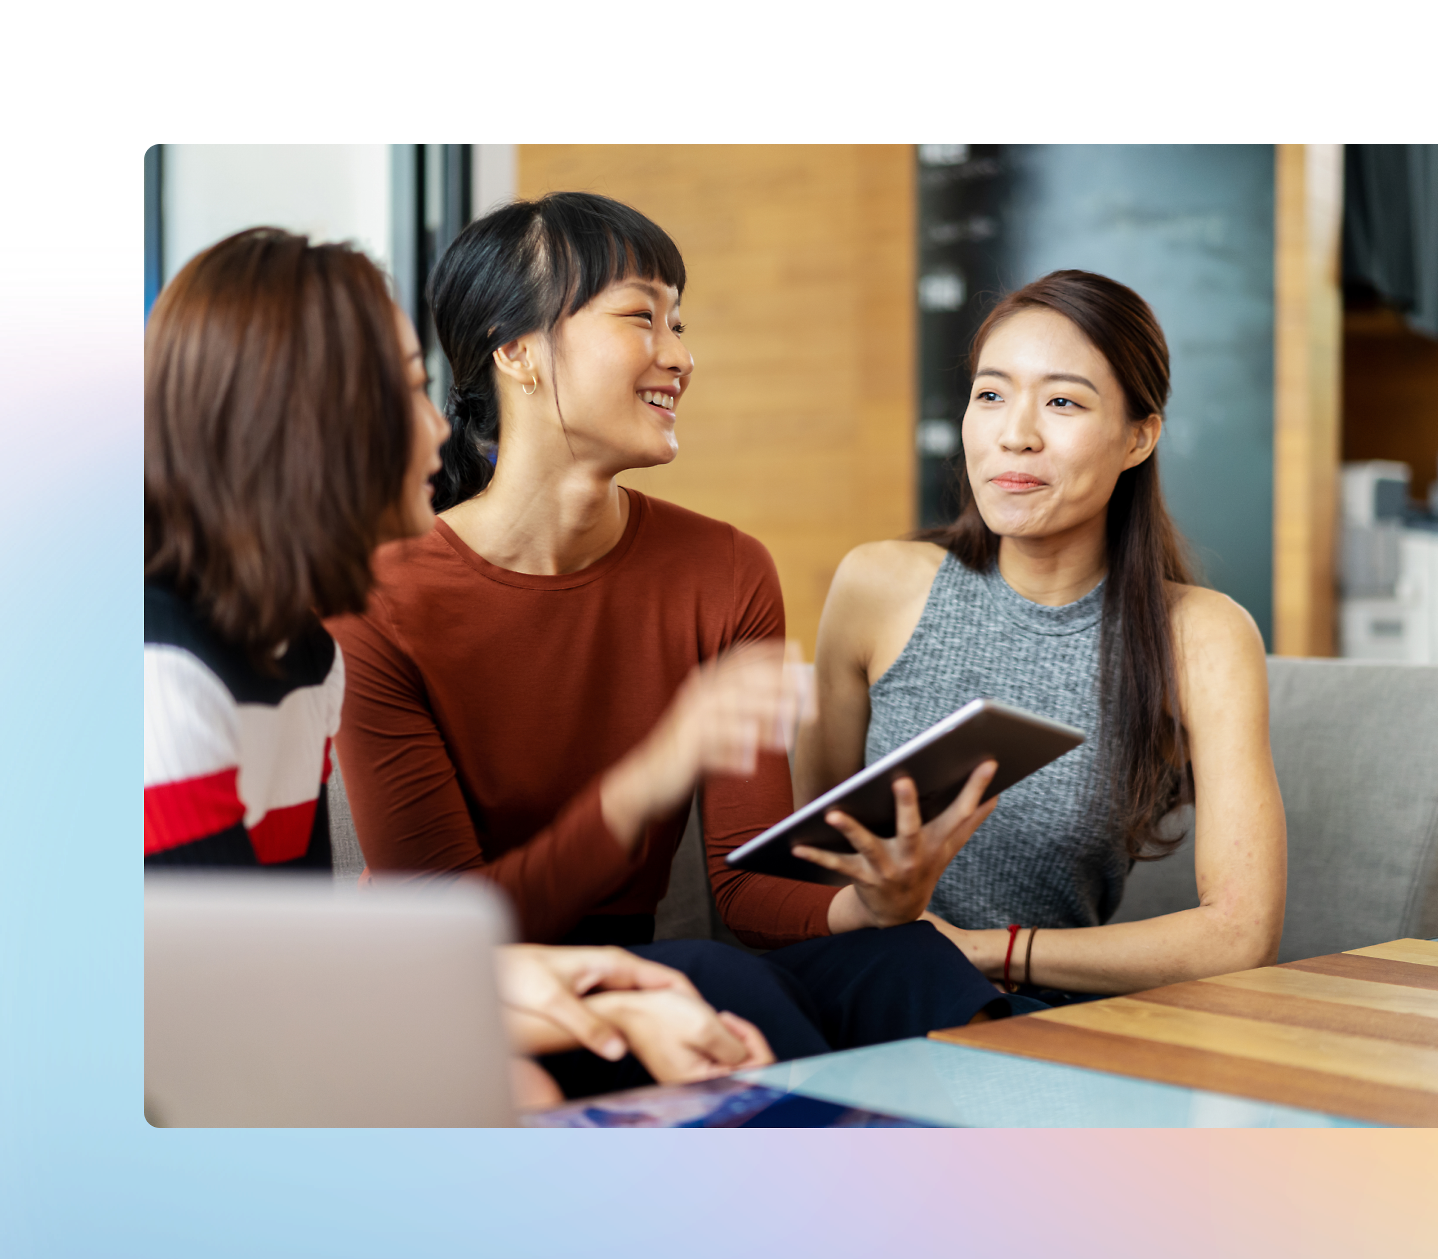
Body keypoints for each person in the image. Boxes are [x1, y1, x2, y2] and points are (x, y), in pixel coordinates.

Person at [327, 193, 1008, 1089]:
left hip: (655, 975)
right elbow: (445, 929)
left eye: (679, 323)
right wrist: (650, 777)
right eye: (641, 317)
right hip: (471, 1006)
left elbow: (746, 889)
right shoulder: (379, 602)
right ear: (517, 349)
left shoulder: (724, 570)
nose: (681, 356)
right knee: (716, 978)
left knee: (907, 960)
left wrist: (865, 902)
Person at [143, 227, 772, 1106]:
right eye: (407, 389)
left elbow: (299, 959)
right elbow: (220, 1025)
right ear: (306, 424)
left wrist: (586, 991)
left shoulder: (304, 660)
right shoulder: (168, 680)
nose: (442, 425)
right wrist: (602, 1017)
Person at [793, 270, 1287, 1005]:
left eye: (1061, 402)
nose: (1014, 435)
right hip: (854, 984)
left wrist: (976, 953)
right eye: (990, 395)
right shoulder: (877, 586)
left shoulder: (1201, 637)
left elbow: (1241, 934)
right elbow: (809, 856)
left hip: (1026, 1015)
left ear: (1138, 437)